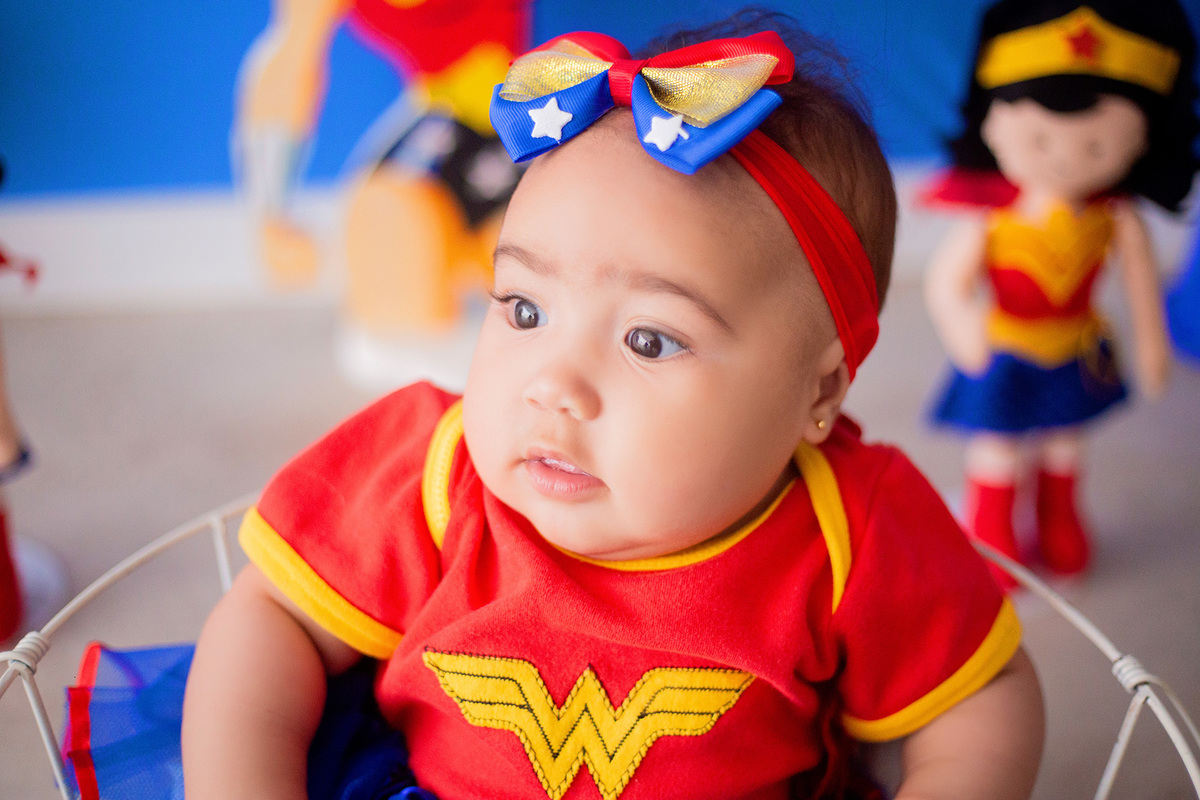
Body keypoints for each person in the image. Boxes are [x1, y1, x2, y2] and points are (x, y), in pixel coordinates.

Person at [183, 13, 1044, 800]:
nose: (553, 384)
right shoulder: (431, 473)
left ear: (817, 392)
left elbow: (980, 698)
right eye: (524, 310)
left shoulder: (849, 529)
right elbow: (270, 618)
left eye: (649, 340)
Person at [923, 0, 1199, 580]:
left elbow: (1144, 290)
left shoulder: (1117, 220)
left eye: (1098, 146)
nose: (1069, 156)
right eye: (1040, 141)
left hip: (1076, 345)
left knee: (1064, 447)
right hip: (1006, 346)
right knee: (998, 449)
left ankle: (1062, 534)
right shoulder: (994, 220)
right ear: (993, 127)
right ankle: (997, 548)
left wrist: (1152, 348)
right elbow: (947, 282)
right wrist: (961, 322)